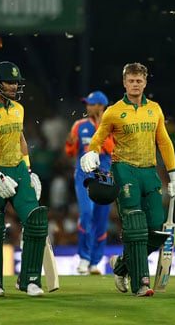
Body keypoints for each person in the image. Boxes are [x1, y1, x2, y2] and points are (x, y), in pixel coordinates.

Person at [79, 62, 175, 297]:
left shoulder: (155, 109)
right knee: (135, 225)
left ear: (145, 83)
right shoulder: (114, 111)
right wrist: (92, 152)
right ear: (124, 83)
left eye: (139, 80)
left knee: (158, 230)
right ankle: (141, 284)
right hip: (124, 169)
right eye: (131, 80)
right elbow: (99, 137)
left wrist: (174, 175)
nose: (135, 84)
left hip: (149, 171)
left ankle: (121, 265)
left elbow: (165, 142)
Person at [0, 61, 45, 297]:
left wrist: (29, 170)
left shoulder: (18, 108)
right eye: (9, 82)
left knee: (35, 220)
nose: (14, 86)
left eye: (16, 82)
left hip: (18, 169)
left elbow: (21, 140)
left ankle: (30, 280)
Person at [64, 90, 115, 275]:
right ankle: (84, 258)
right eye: (87, 103)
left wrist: (102, 129)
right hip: (84, 175)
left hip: (104, 175)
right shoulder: (79, 125)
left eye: (91, 104)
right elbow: (70, 152)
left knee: (101, 219)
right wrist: (70, 143)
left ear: (101, 106)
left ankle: (95, 262)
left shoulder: (111, 126)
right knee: (86, 213)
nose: (88, 107)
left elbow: (113, 150)